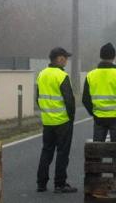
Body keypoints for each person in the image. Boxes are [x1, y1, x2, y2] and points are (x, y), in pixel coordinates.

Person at [35, 47, 77, 193]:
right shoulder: (61, 76)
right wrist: (71, 118)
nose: (66, 60)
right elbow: (69, 101)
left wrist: (46, 112)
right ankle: (60, 184)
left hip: (47, 121)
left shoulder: (41, 74)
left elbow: (38, 98)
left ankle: (41, 183)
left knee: (46, 151)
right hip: (62, 121)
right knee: (62, 152)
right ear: (59, 59)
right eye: (65, 57)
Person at [82, 42, 116, 145]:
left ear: (100, 56)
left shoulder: (91, 75)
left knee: (97, 153)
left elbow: (85, 99)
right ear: (114, 57)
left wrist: (94, 113)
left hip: (99, 118)